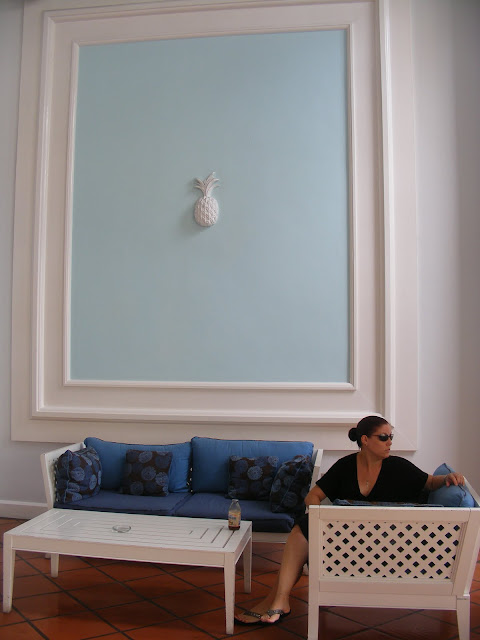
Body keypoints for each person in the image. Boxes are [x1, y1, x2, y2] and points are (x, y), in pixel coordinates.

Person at [234, 415, 465, 626]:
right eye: (383, 437)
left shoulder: (398, 466)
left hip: (385, 542)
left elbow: (430, 482)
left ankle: (276, 601)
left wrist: (448, 477)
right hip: (347, 539)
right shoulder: (345, 466)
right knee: (304, 526)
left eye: (391, 437)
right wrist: (321, 516)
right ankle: (279, 601)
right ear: (365, 440)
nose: (389, 442)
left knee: (302, 531)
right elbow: (312, 496)